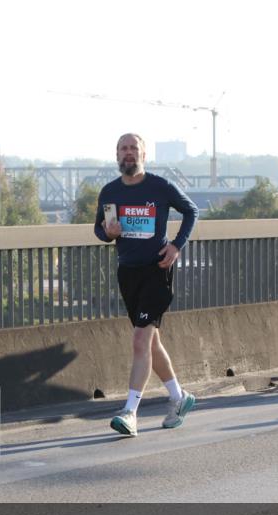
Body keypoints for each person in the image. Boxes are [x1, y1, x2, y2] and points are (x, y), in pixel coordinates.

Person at [95, 133, 199, 437]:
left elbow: (191, 210)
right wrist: (109, 231)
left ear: (143, 154)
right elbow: (99, 230)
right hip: (128, 274)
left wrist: (177, 245)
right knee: (151, 342)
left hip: (157, 270)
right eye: (123, 149)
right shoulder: (110, 191)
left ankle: (130, 412)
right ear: (117, 155)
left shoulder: (159, 186)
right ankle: (180, 398)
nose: (128, 153)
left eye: (133, 148)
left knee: (140, 341)